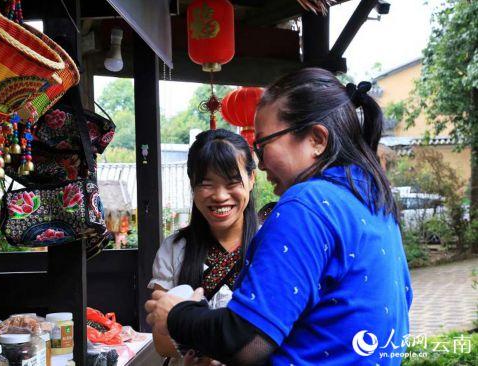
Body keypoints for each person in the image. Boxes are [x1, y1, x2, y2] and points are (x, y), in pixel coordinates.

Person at [145, 68, 413, 365]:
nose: (260, 165)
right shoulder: (372, 197)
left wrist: (176, 314)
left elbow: (247, 342)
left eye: (262, 145)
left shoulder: (307, 204)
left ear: (316, 139)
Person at [148, 128, 259, 365]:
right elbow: (162, 343)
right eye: (207, 183)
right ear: (192, 184)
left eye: (232, 182)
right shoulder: (174, 249)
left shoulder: (271, 246)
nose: (220, 196)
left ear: (251, 179)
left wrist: (186, 327)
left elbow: (276, 334)